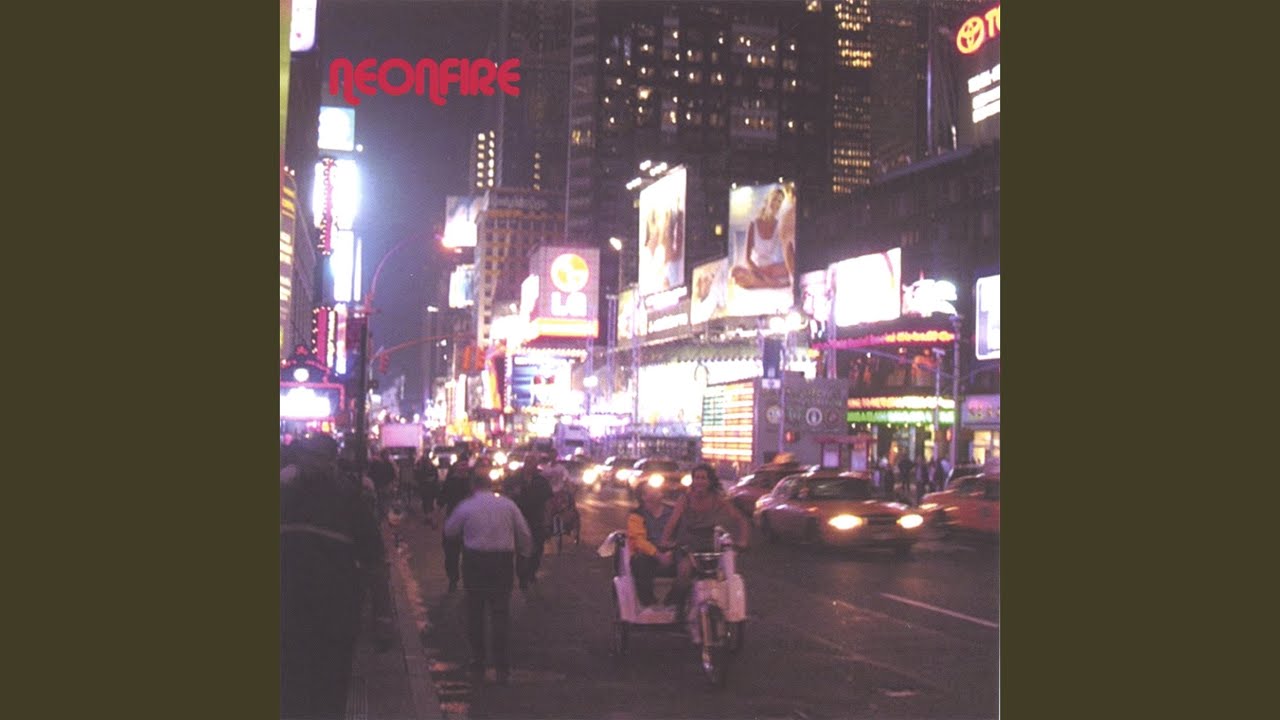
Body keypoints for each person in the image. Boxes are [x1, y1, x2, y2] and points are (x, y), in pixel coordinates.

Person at [281, 433, 394, 720]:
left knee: (301, 691)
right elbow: (375, 563)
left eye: (315, 458)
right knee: (319, 691)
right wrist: (382, 620)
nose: (311, 464)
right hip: (323, 614)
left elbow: (375, 563)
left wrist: (382, 618)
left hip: (313, 614)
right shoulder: (349, 500)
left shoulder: (292, 498)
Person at [443, 467, 534, 686]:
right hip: (502, 562)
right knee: (500, 611)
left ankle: (478, 658)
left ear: (472, 485)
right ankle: (501, 660)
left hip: (475, 562)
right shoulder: (507, 505)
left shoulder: (466, 506)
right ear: (491, 484)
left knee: (475, 611)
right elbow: (524, 533)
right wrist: (523, 555)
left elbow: (450, 531)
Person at [659, 464, 751, 613]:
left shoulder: (717, 499)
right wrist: (664, 542)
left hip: (709, 545)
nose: (699, 481)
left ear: (710, 481)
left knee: (723, 574)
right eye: (696, 478)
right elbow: (672, 522)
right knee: (685, 570)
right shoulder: (685, 499)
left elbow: (741, 519)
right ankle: (675, 604)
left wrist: (743, 541)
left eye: (703, 478)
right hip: (687, 544)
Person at [730, 185, 795, 290]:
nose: (776, 204)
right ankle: (774, 284)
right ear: (767, 201)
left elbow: (787, 251)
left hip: (773, 269)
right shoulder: (753, 225)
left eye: (779, 201)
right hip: (756, 269)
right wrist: (764, 276)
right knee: (735, 271)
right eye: (774, 199)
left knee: (792, 265)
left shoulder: (780, 225)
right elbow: (747, 259)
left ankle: (769, 283)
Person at [627, 482, 676, 610]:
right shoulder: (637, 515)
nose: (657, 488)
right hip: (649, 555)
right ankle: (648, 604)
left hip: (671, 551)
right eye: (651, 488)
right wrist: (658, 555)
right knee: (640, 562)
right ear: (644, 497)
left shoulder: (672, 512)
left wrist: (672, 551)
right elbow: (639, 541)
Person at [437, 456, 479, 593]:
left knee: (470, 554)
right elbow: (441, 499)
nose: (463, 467)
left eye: (465, 465)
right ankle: (453, 579)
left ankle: (469, 581)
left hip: (470, 524)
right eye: (461, 465)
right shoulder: (450, 482)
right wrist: (436, 517)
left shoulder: (473, 483)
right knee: (451, 554)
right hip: (453, 521)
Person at [512, 454, 553, 589]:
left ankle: (531, 572)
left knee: (537, 548)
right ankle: (522, 576)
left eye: (532, 462)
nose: (529, 465)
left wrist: (547, 521)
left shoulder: (541, 481)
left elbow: (548, 502)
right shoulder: (515, 479)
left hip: (536, 519)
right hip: (519, 519)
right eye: (527, 461)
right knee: (521, 550)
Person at [414, 451, 441, 527]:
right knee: (426, 503)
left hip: (429, 488)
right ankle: (428, 517)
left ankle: (430, 517)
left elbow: (436, 477)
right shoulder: (422, 468)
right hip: (426, 488)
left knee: (429, 503)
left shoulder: (431, 468)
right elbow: (418, 477)